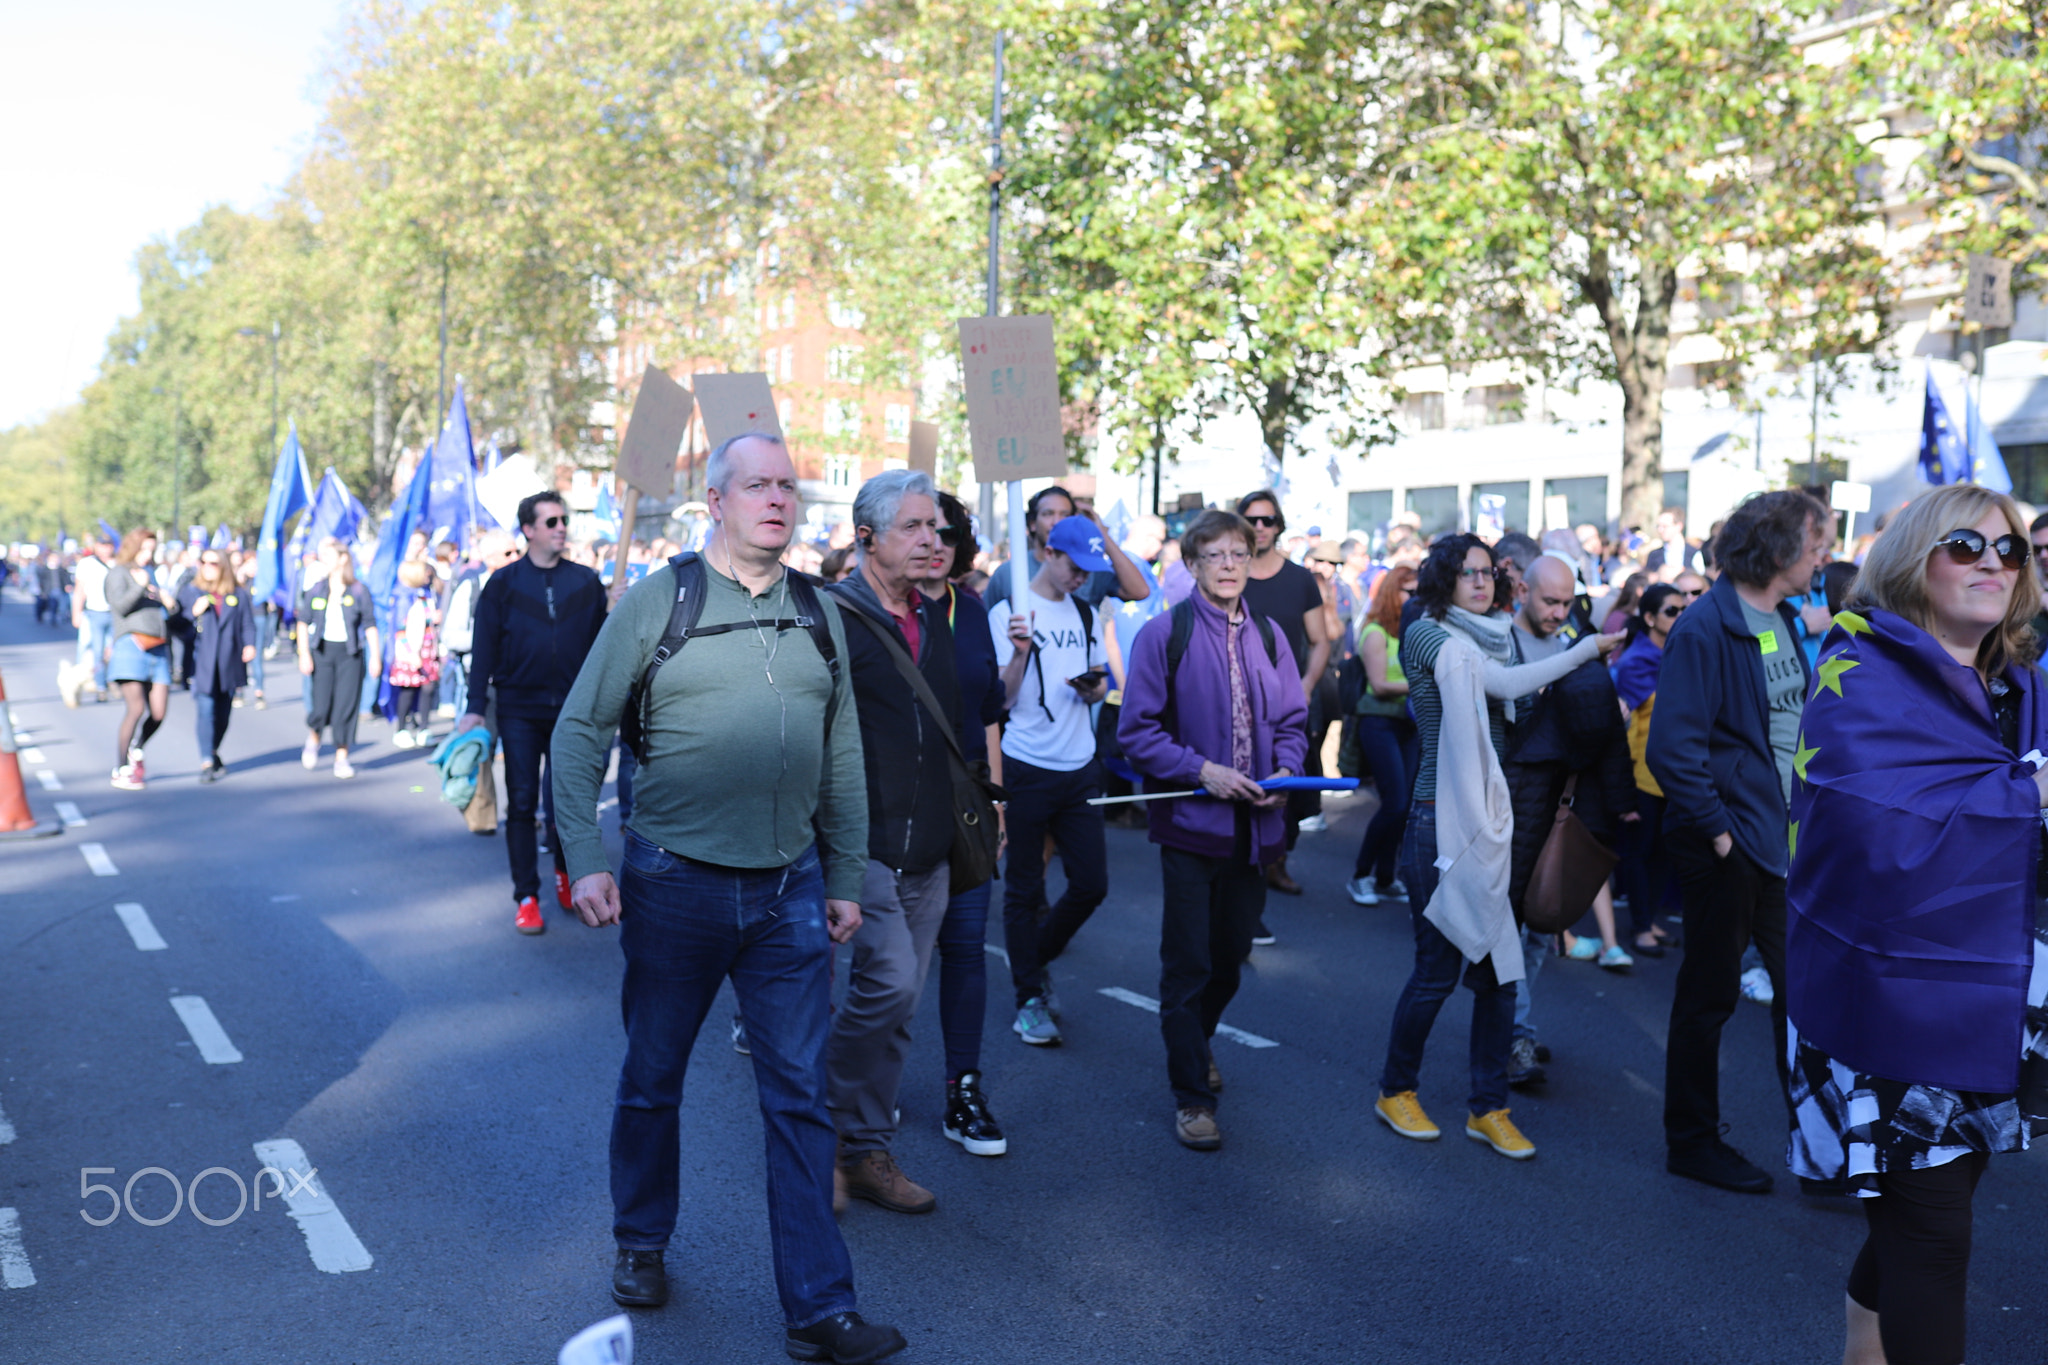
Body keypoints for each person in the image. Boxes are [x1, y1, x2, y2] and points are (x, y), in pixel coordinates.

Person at [548, 435, 904, 1364]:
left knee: (800, 1100)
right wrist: (584, 854)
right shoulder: (657, 601)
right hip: (674, 884)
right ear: (716, 500)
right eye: (759, 485)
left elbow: (844, 755)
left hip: (788, 892)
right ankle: (641, 1240)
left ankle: (820, 1310)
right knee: (653, 1076)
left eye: (789, 486)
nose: (779, 499)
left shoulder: (822, 612)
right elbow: (580, 728)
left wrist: (842, 874)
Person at [1782, 485, 2044, 1365]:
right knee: (1934, 1234)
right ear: (1915, 558)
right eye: (1967, 545)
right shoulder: (1863, 671)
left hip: (1995, 995)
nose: (1992, 565)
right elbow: (1877, 829)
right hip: (1891, 1000)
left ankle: (1863, 1345)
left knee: (1929, 1197)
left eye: (2011, 552)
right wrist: (2030, 794)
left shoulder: (2024, 687)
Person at [1372, 534, 1620, 1160]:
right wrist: (1584, 649)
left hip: (1488, 818)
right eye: (1466, 574)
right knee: (1436, 972)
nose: (1479, 583)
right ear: (1443, 582)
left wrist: (1580, 652)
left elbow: (1507, 683)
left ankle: (1488, 1107)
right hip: (1440, 817)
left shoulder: (1493, 637)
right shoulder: (1430, 633)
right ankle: (1395, 1089)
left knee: (1499, 975)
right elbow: (1503, 686)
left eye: (1486, 573)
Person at [1646, 488, 1831, 1195]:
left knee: (1804, 997)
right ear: (1778, 547)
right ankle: (1691, 1141)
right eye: (1815, 542)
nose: (1823, 556)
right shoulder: (1702, 628)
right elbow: (1672, 751)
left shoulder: (1783, 618)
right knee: (1710, 993)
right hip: (1726, 843)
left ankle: (1820, 1149)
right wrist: (1721, 832)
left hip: (1781, 842)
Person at [1118, 510, 1307, 1150]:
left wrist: (1286, 769)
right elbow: (1136, 733)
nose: (1228, 565)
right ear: (1193, 566)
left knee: (1229, 962)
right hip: (1191, 829)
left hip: (1257, 832)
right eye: (1214, 556)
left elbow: (1292, 723)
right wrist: (1203, 770)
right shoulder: (1162, 636)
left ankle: (1197, 1042)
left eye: (1237, 554)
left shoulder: (1274, 637)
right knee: (1189, 965)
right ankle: (1191, 1097)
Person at [820, 469, 964, 1214]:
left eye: (935, 528)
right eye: (913, 527)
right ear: (867, 537)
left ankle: (865, 1148)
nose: (930, 541)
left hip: (929, 842)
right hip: (861, 840)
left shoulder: (933, 616)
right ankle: (815, 1123)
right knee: (889, 983)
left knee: (901, 1009)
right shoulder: (832, 617)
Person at [1501, 557, 1637, 1083]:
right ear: (1522, 592)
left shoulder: (1572, 645)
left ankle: (1518, 1031)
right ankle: (1509, 1038)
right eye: (1549, 601)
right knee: (1505, 934)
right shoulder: (1501, 645)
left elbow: (1596, 732)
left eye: (1566, 602)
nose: (1559, 612)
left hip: (1560, 809)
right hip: (1510, 810)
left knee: (1541, 927)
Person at [457, 491, 608, 935]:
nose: (562, 527)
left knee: (566, 803)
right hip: (518, 709)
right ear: (528, 530)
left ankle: (566, 871)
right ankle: (526, 895)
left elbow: (605, 648)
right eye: (552, 521)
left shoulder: (586, 582)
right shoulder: (501, 586)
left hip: (573, 712)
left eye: (564, 519)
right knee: (522, 804)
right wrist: (472, 709)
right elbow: (482, 651)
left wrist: (616, 607)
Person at [991, 515, 1115, 1048]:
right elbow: (998, 700)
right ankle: (1028, 997)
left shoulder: (1087, 611)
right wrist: (1021, 652)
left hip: (1079, 764)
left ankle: (1033, 959)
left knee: (1092, 884)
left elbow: (1099, 676)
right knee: (1024, 886)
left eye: (1089, 569)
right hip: (1026, 764)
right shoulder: (1009, 612)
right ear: (1047, 553)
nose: (1080, 578)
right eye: (1074, 565)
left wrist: (1093, 689)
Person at [917, 491, 1008, 1159]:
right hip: (895, 812)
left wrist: (997, 799)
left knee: (966, 948)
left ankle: (962, 1089)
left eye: (949, 531)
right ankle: (864, 1082)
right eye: (921, 528)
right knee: (889, 962)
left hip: (969, 808)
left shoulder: (972, 611)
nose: (936, 541)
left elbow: (989, 713)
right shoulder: (868, 611)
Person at [1234, 490, 1329, 901]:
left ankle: (1278, 863)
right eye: (1252, 519)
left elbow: (1320, 640)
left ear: (1279, 525)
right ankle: (1244, 863)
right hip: (1240, 702)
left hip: (1288, 705)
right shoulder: (1230, 574)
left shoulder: (1299, 579)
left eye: (1268, 520)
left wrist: (1305, 687)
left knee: (1290, 783)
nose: (1260, 527)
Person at [1611, 583, 1686, 957]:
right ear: (1650, 617)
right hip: (1641, 774)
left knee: (1663, 853)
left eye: (1684, 610)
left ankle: (1651, 920)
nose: (1680, 616)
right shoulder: (1636, 661)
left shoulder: (1681, 655)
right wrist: (1624, 787)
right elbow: (1625, 729)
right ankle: (1640, 927)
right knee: (1639, 852)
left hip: (1674, 775)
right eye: (1672, 611)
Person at [1346, 564, 1417, 906]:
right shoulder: (1376, 631)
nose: (1416, 599)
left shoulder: (1415, 630)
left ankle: (1387, 877)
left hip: (1408, 724)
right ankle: (1361, 875)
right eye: (1409, 592)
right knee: (1395, 802)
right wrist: (1423, 685)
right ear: (1392, 592)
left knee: (1403, 807)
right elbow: (1380, 684)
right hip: (1379, 722)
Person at [983, 484, 1152, 610]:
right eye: (1048, 514)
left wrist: (1100, 534)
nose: (1056, 522)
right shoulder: (1007, 574)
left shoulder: (1089, 569)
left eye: (1065, 515)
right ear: (1033, 523)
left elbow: (1139, 591)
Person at [297, 547, 378, 780]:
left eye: (329, 555)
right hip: (322, 652)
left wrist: (376, 657)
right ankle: (314, 737)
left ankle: (341, 756)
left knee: (345, 706)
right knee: (321, 705)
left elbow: (370, 624)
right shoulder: (317, 589)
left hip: (350, 654)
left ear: (343, 559)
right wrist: (304, 653)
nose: (324, 560)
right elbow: (303, 621)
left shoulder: (359, 590)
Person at [175, 552, 255, 782]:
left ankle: (213, 749)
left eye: (213, 563)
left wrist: (249, 645)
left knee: (223, 714)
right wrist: (193, 612)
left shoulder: (237, 593)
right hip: (202, 662)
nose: (208, 567)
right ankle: (206, 761)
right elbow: (177, 625)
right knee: (205, 711)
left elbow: (247, 623)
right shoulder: (191, 591)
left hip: (229, 661)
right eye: (204, 562)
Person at [104, 529, 172, 790]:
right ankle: (120, 768)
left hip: (158, 647)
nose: (149, 555)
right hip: (131, 646)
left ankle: (138, 746)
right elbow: (120, 606)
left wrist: (167, 601)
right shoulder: (119, 573)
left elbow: (164, 611)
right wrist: (140, 585)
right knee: (136, 708)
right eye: (145, 550)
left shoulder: (151, 573)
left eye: (152, 550)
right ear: (133, 548)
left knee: (159, 712)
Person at [389, 559, 442, 749]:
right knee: (408, 690)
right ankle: (401, 729)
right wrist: (411, 653)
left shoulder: (426, 595)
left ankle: (424, 729)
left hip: (428, 648)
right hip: (412, 651)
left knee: (428, 689)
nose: (429, 574)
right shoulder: (405, 598)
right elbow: (400, 630)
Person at [73, 533, 116, 703]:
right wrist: (76, 612)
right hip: (95, 612)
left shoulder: (118, 563)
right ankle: (100, 686)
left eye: (108, 545)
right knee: (97, 650)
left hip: (114, 612)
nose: (105, 548)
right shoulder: (87, 564)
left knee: (112, 650)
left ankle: (112, 679)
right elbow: (79, 590)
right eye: (102, 545)